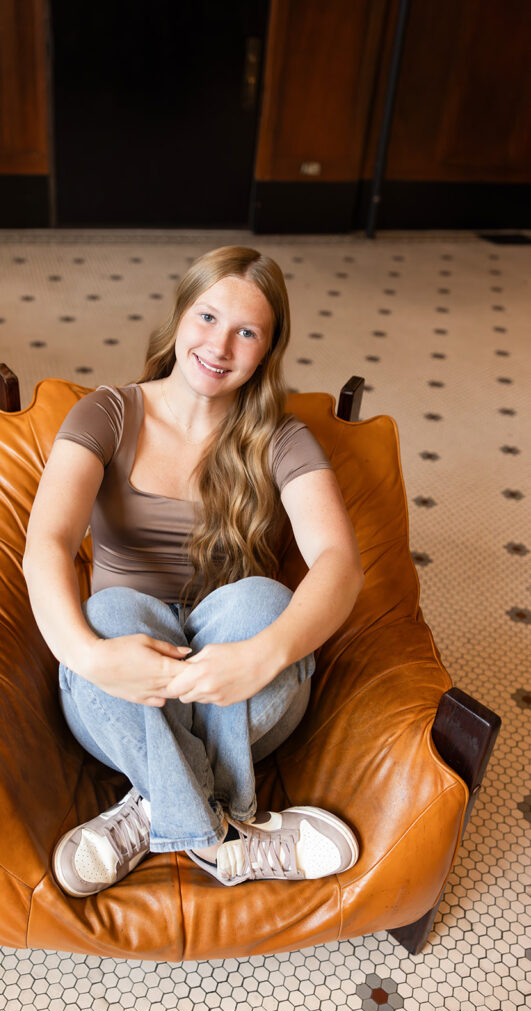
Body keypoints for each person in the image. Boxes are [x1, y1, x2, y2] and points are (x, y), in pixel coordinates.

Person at [23, 245, 364, 897]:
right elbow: (47, 543)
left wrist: (263, 654)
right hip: (126, 693)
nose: (220, 345)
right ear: (179, 316)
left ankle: (153, 811)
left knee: (263, 601)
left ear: (266, 350)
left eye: (246, 332)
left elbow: (339, 565)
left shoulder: (281, 437)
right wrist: (89, 657)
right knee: (109, 615)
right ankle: (225, 836)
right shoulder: (106, 413)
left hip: (239, 687)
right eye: (207, 317)